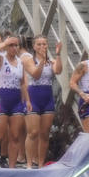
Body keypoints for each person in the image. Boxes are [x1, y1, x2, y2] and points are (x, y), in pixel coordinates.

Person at [22, 34, 61, 169]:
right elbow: (35, 75)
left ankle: (40, 163)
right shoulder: (29, 60)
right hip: (33, 96)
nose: (42, 47)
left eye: (44, 44)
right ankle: (28, 163)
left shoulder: (51, 62)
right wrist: (42, 61)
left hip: (47, 97)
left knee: (45, 134)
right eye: (39, 44)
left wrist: (58, 55)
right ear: (34, 46)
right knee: (33, 132)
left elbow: (58, 70)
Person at [0, 33, 27, 168]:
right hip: (1, 100)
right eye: (11, 45)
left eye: (16, 45)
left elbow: (23, 83)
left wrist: (26, 101)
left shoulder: (20, 62)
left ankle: (11, 168)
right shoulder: (0, 59)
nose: (13, 48)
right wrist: (4, 43)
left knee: (15, 136)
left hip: (16, 101)